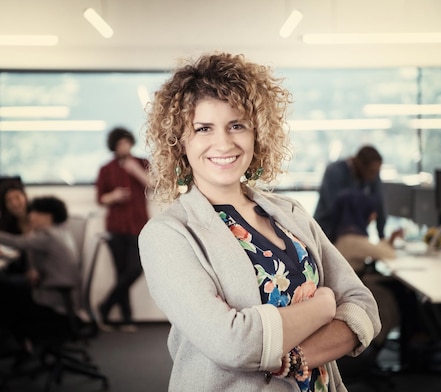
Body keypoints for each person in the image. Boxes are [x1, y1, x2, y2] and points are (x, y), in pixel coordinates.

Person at [139, 52, 381, 392]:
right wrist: (325, 305)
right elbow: (233, 344)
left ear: (257, 133)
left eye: (236, 125)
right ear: (180, 142)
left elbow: (364, 307)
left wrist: (297, 358)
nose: (223, 143)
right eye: (203, 128)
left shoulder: (291, 214)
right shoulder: (168, 235)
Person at [0, 196, 80, 347]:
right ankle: (12, 345)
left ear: (47, 216)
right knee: (6, 287)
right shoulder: (60, 232)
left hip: (53, 298)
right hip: (64, 297)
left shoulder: (47, 236)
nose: (30, 216)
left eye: (34, 213)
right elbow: (32, 248)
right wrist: (34, 270)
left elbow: (17, 242)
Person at [330, 189, 403, 350]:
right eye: (371, 212)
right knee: (399, 289)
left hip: (348, 286)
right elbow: (388, 254)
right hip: (350, 291)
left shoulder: (343, 235)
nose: (374, 216)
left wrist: (389, 239)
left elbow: (375, 250)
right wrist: (390, 241)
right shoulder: (352, 240)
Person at [95, 127, 150, 331]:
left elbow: (153, 185)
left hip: (138, 225)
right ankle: (126, 318)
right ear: (114, 146)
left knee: (135, 268)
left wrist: (135, 170)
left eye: (127, 142)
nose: (124, 146)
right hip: (116, 226)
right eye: (120, 143)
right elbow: (100, 198)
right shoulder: (106, 169)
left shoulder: (142, 163)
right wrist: (114, 196)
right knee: (121, 273)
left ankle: (105, 305)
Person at [314, 145, 386, 242]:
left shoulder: (371, 174)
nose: (374, 176)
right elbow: (335, 208)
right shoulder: (334, 171)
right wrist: (365, 213)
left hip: (353, 234)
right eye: (372, 171)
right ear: (360, 164)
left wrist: (382, 237)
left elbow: (379, 203)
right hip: (326, 231)